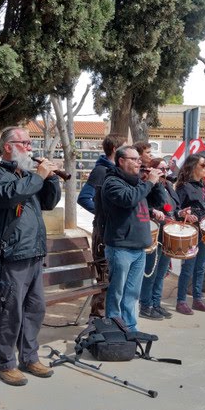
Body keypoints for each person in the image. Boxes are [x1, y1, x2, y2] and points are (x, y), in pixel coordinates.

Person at [0, 125, 63, 385]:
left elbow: (49, 203)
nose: (30, 148)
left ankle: (29, 356)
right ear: (8, 147)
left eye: (30, 143)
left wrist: (50, 178)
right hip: (11, 253)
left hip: (34, 252)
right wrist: (38, 176)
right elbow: (9, 196)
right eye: (25, 143)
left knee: (35, 308)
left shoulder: (27, 173)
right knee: (10, 312)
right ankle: (5, 362)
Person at [100, 146, 157, 330]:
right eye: (134, 159)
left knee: (132, 292)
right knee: (117, 291)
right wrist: (147, 184)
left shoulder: (137, 182)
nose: (139, 163)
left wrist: (159, 184)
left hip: (139, 247)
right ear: (121, 161)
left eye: (139, 159)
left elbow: (160, 202)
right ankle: (115, 328)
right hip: (121, 247)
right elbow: (128, 199)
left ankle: (130, 328)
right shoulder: (112, 182)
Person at [81, 136, 122, 318]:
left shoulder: (117, 172)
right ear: (114, 149)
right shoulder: (101, 170)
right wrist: (103, 214)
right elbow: (83, 198)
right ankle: (97, 321)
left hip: (115, 233)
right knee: (103, 280)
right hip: (103, 233)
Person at [172, 154, 205, 314]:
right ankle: (181, 301)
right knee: (188, 268)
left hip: (204, 232)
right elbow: (176, 210)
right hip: (191, 232)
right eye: (203, 165)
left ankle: (198, 299)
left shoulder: (204, 186)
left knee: (201, 267)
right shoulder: (183, 187)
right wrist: (184, 214)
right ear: (193, 168)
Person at [140, 150, 178, 319]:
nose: (165, 172)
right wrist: (153, 211)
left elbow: (172, 206)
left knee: (161, 271)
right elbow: (141, 207)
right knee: (151, 272)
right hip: (154, 232)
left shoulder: (168, 187)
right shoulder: (149, 186)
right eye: (161, 169)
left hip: (167, 232)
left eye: (166, 169)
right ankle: (146, 305)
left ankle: (156, 303)